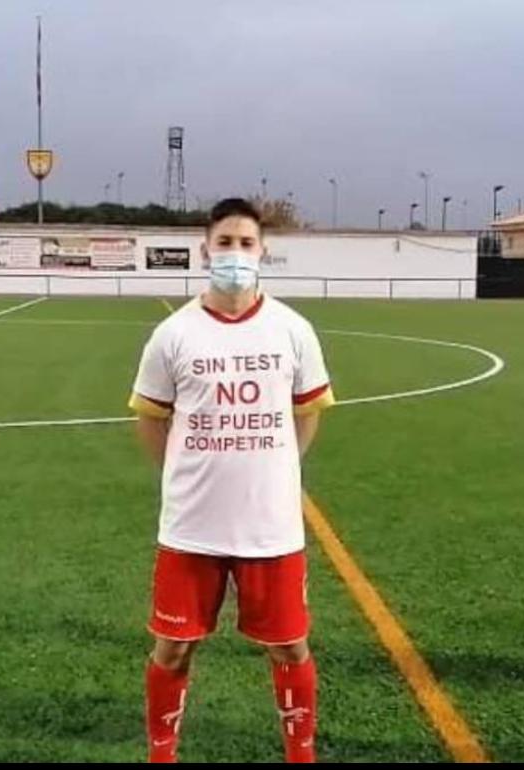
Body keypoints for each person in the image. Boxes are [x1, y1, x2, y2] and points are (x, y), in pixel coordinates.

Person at [129, 197, 336, 763]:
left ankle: (301, 755)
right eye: (225, 243)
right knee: (173, 647)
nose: (236, 254)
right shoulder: (173, 334)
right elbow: (151, 420)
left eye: (246, 243)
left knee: (290, 647)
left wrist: (278, 467)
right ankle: (161, 754)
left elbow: (308, 410)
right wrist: (184, 474)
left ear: (263, 250)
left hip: (270, 525)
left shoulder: (292, 329)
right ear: (206, 249)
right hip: (191, 525)